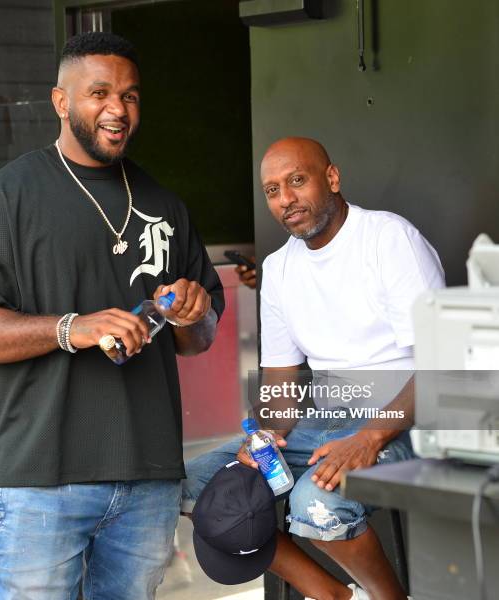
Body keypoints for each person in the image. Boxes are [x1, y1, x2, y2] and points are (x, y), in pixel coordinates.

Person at [0, 32, 224, 600]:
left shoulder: (164, 204)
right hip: (41, 481)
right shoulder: (6, 198)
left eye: (131, 96)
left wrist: (193, 311)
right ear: (61, 102)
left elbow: (197, 341)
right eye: (100, 93)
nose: (118, 110)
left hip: (148, 480)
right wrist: (71, 328)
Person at [183, 137, 444, 600]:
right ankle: (331, 594)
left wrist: (370, 437)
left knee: (315, 503)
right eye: (272, 191)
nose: (286, 200)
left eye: (297, 181)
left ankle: (389, 597)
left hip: (404, 421)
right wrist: (262, 439)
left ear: (332, 178)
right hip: (324, 424)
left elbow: (440, 366)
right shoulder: (280, 269)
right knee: (196, 484)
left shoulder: (388, 239)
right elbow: (281, 384)